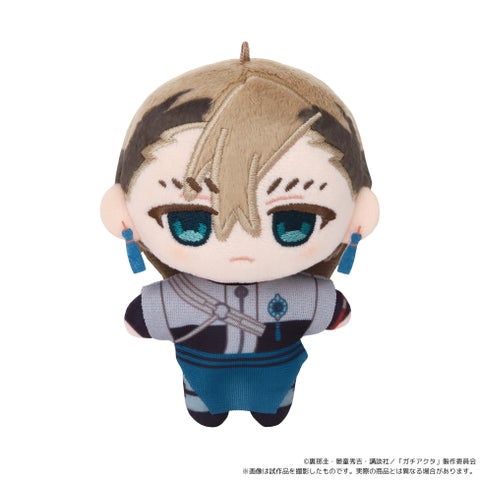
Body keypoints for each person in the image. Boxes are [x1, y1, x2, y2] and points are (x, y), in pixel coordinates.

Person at [100, 43, 379, 427]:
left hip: (274, 377)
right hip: (205, 376)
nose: (241, 248)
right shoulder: (295, 297)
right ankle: (211, 404)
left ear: (358, 216)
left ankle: (266, 405)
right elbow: (336, 313)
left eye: (292, 223)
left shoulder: (182, 300)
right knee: (207, 406)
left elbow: (138, 321)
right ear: (123, 214)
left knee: (272, 407)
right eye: (190, 223)